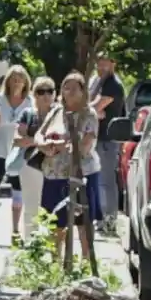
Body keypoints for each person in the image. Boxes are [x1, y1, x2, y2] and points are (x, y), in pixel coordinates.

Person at [35, 72, 102, 261]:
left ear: (83, 91)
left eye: (75, 88)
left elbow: (86, 146)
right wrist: (43, 145)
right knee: (56, 222)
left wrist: (62, 145)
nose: (70, 92)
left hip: (81, 174)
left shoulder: (88, 114)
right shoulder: (56, 111)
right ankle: (56, 264)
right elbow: (39, 134)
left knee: (83, 222)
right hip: (54, 175)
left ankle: (86, 263)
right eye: (66, 87)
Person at [0, 65, 33, 243]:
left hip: (20, 153)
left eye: (21, 78)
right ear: (8, 81)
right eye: (14, 78)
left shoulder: (30, 103)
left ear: (26, 81)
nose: (17, 81)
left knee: (18, 192)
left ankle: (16, 232)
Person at [14, 76, 56, 239]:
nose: (45, 95)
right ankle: (30, 246)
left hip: (55, 167)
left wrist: (32, 141)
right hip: (30, 165)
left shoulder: (60, 115)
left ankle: (52, 249)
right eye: (41, 91)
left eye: (49, 91)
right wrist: (41, 143)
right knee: (31, 207)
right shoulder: (28, 114)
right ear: (34, 94)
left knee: (52, 209)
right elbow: (18, 139)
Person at [89, 51, 126, 231]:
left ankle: (109, 221)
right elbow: (91, 106)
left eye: (105, 63)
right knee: (98, 180)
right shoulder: (99, 83)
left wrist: (93, 110)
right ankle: (102, 219)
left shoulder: (112, 85)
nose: (100, 66)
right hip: (98, 137)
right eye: (98, 62)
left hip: (107, 139)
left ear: (113, 63)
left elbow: (95, 106)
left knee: (106, 181)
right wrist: (93, 111)